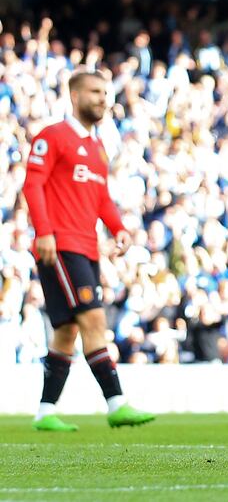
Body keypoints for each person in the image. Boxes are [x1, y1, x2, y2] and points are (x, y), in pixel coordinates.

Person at [21, 69, 155, 431]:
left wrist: (119, 228)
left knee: (67, 330)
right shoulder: (53, 137)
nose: (102, 98)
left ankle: (45, 412)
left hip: (87, 248)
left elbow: (101, 199)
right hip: (61, 245)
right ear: (75, 96)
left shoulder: (97, 148)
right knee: (94, 319)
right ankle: (116, 403)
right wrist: (44, 232)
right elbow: (32, 185)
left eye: (105, 92)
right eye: (95, 91)